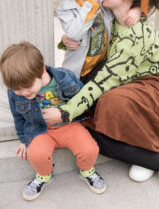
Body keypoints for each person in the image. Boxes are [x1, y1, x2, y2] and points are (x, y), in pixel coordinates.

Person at [41, 0, 159, 202]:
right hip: (127, 77)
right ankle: (142, 153)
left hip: (153, 87)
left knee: (107, 104)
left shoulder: (133, 36)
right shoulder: (113, 11)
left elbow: (103, 81)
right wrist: (65, 40)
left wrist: (64, 114)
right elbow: (89, 34)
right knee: (98, 109)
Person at [0, 41, 106, 201]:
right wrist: (24, 140)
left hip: (69, 125)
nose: (22, 93)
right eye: (17, 89)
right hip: (40, 130)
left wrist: (65, 113)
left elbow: (83, 100)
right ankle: (44, 176)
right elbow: (18, 117)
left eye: (27, 86)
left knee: (89, 149)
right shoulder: (15, 92)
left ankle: (86, 170)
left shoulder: (65, 78)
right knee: (36, 154)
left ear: (42, 71)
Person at [55, 0, 141, 78]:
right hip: (78, 72)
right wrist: (90, 4)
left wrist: (137, 9)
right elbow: (74, 33)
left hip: (101, 64)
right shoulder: (65, 9)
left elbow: (125, 0)